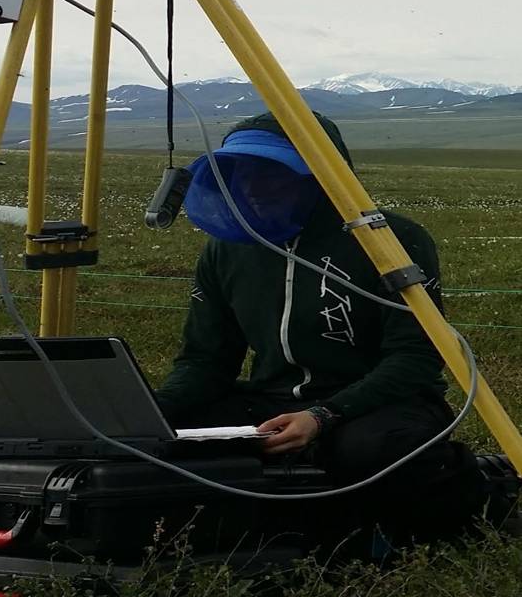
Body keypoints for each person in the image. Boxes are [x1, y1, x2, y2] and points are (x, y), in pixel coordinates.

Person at [155, 111, 489, 544]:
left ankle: (458, 503)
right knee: (175, 438)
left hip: (378, 405)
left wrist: (323, 415)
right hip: (270, 401)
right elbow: (205, 360)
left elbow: (416, 357)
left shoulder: (392, 240)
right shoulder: (227, 250)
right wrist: (154, 412)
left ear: (322, 177)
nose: (254, 187)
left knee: (370, 449)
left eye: (272, 173)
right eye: (243, 172)